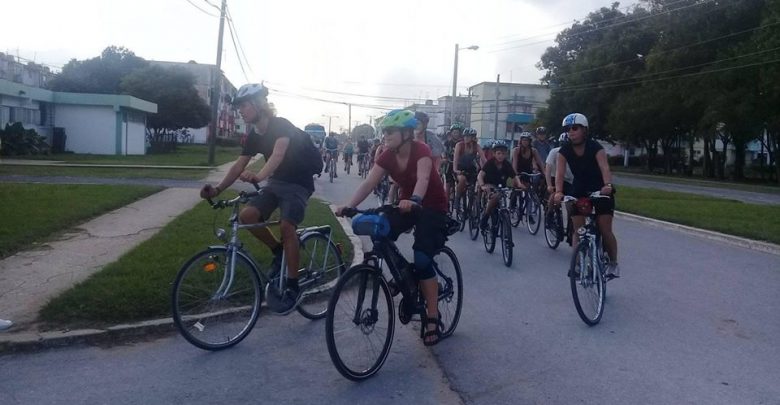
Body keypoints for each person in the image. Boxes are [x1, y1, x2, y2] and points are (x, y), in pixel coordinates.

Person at [200, 83, 319, 313]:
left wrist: (259, 175)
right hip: (276, 184)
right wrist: (217, 190)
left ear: (258, 105)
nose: (240, 111)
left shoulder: (281, 125)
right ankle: (278, 251)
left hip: (298, 184)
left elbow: (278, 154)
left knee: (287, 226)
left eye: (244, 106)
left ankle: (293, 287)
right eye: (240, 107)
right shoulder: (254, 135)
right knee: (248, 215)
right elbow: (238, 165)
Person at [336, 110, 448, 346]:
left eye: (390, 131)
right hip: (406, 205)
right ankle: (404, 275)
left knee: (422, 258)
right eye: (384, 131)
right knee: (381, 228)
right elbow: (369, 182)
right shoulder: (387, 155)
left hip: (431, 206)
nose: (385, 135)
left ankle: (432, 317)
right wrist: (349, 205)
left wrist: (416, 199)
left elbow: (424, 179)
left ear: (406, 133)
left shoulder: (422, 150)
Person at [553, 113, 619, 279]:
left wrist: (608, 186)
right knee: (579, 230)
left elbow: (605, 168)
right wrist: (559, 191)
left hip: (600, 190)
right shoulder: (564, 150)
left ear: (584, 130)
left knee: (605, 230)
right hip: (579, 190)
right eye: (568, 129)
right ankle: (577, 265)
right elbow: (559, 174)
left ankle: (613, 263)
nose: (571, 132)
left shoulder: (595, 147)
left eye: (575, 128)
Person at [477, 141, 522, 230]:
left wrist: (519, 184)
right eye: (498, 153)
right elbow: (480, 175)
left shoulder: (507, 164)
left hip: (501, 187)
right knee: (494, 197)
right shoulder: (490, 163)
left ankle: (506, 235)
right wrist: (482, 185)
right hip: (489, 185)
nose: (501, 155)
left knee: (502, 202)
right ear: (494, 154)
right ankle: (485, 217)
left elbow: (514, 176)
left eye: (503, 153)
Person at [453, 127, 485, 209]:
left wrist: (488, 169)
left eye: (468, 136)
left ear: (473, 138)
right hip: (460, 169)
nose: (465, 138)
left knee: (472, 189)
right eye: (465, 136)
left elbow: (483, 158)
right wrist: (455, 170)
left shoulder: (476, 146)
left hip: (471, 170)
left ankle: (470, 208)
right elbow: (455, 159)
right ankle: (457, 198)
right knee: (462, 179)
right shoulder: (459, 145)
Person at [443, 123, 464, 200]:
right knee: (448, 183)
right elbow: (443, 151)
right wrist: (444, 157)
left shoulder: (462, 143)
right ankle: (447, 201)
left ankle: (459, 196)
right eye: (454, 132)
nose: (456, 134)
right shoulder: (447, 143)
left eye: (457, 132)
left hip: (459, 164)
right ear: (451, 133)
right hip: (449, 163)